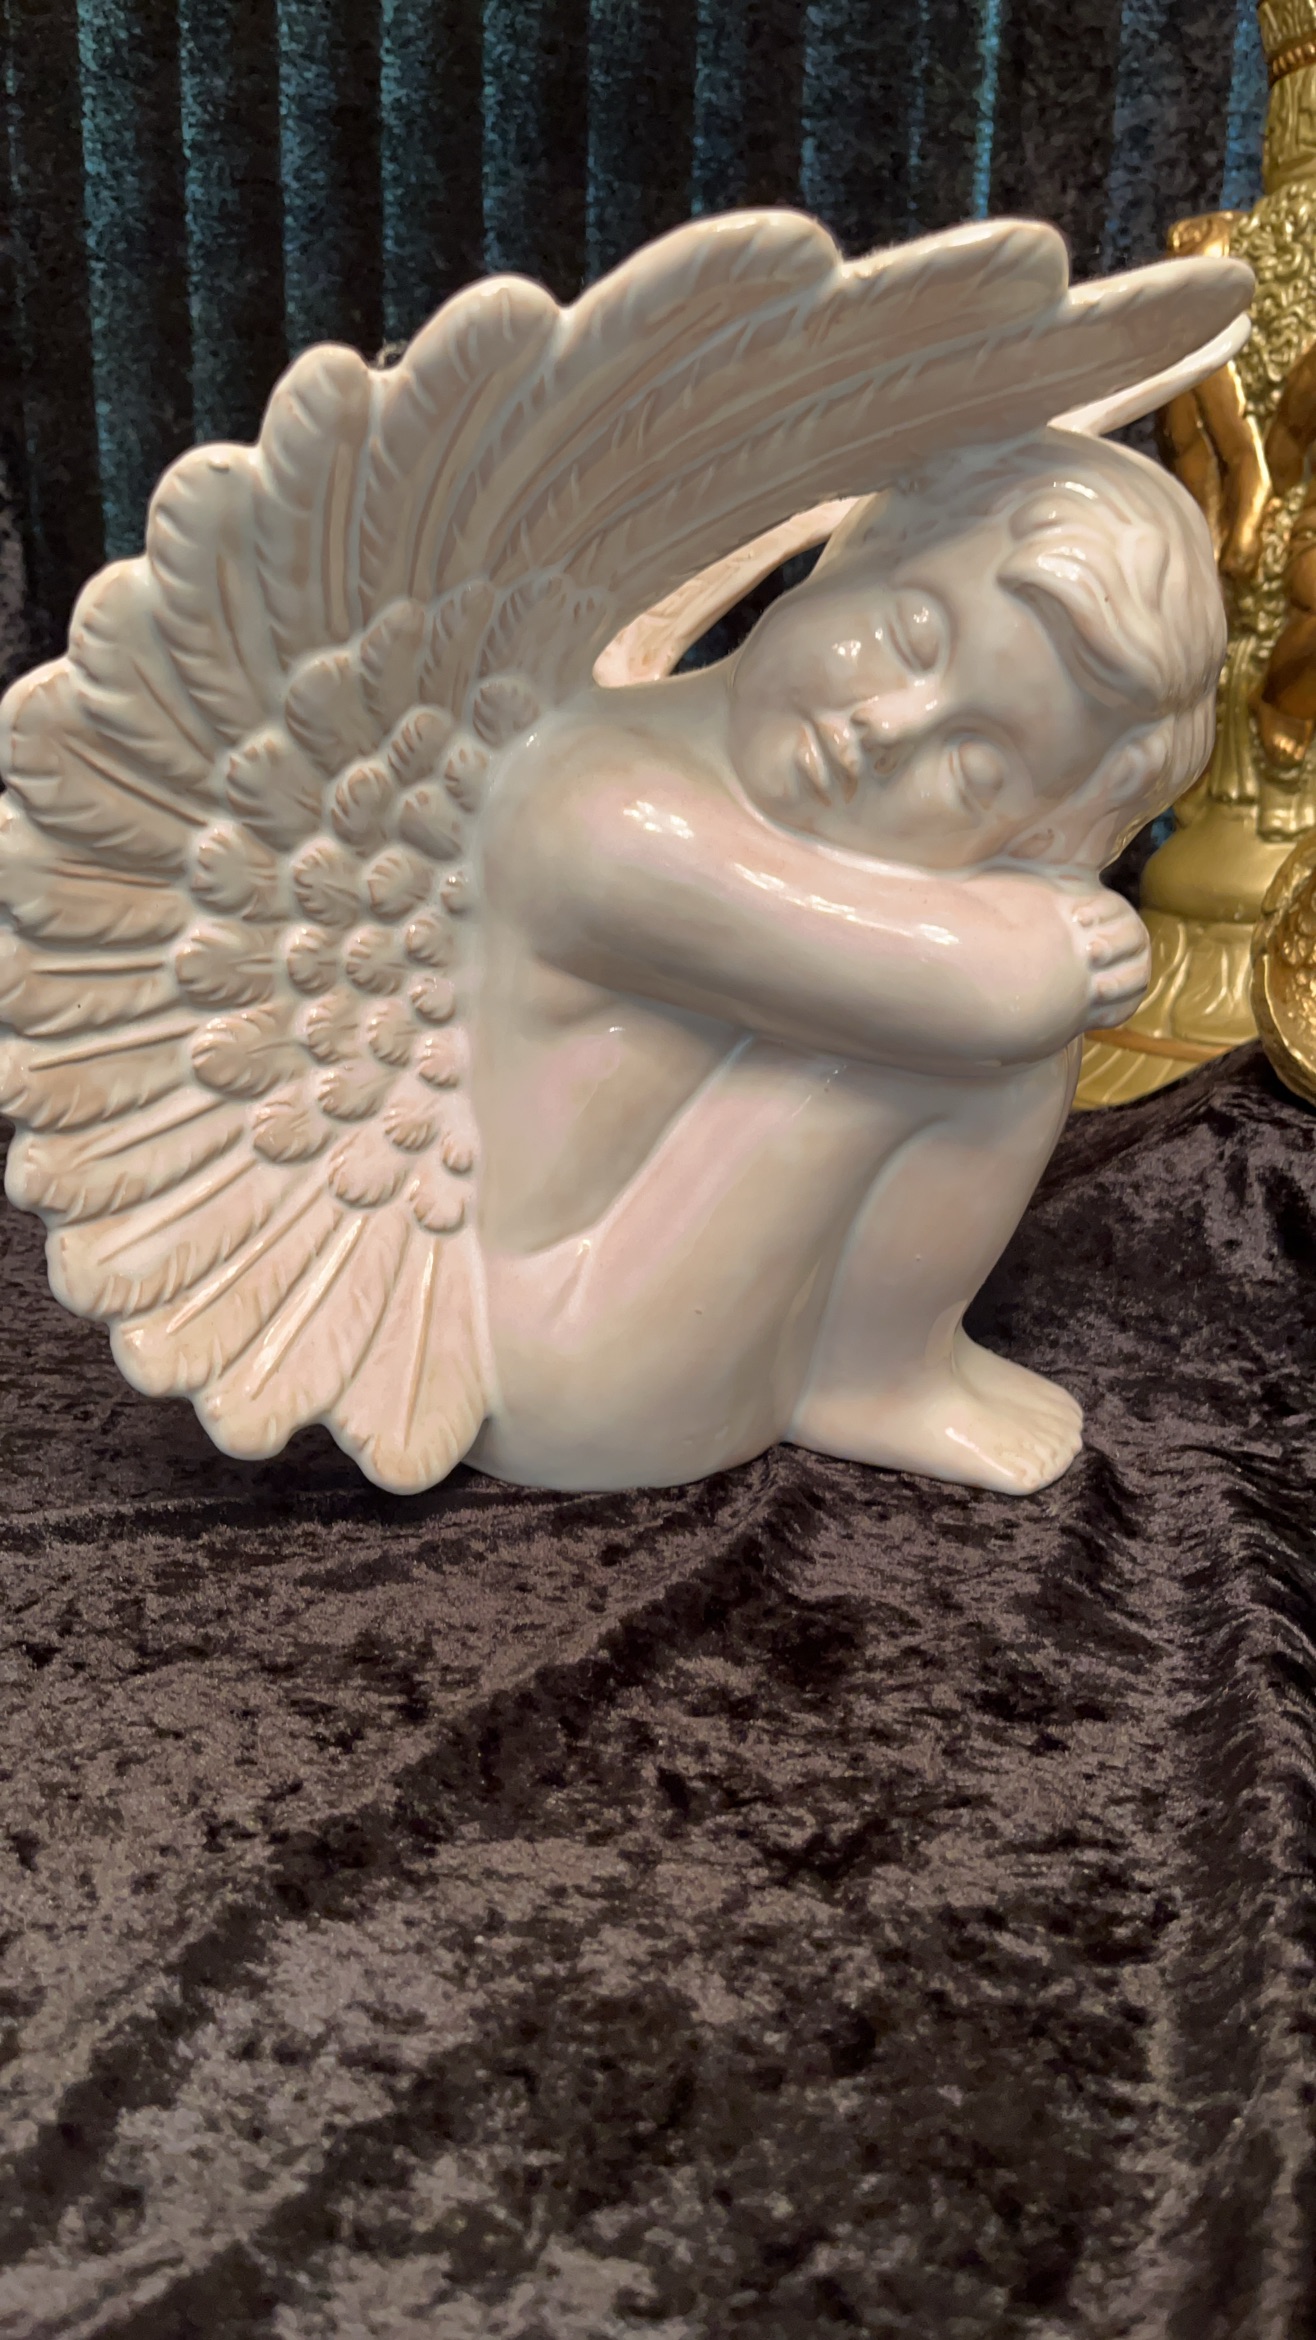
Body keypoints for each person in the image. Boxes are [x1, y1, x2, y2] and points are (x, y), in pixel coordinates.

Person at [470, 430, 1224, 1494]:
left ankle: (870, 1371)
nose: (890, 729)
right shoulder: (595, 805)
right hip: (558, 1366)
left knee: (995, 994)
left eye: (976, 765)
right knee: (968, 1033)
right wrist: (1047, 954)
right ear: (857, 550)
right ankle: (873, 1380)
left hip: (637, 1317)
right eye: (912, 635)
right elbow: (983, 990)